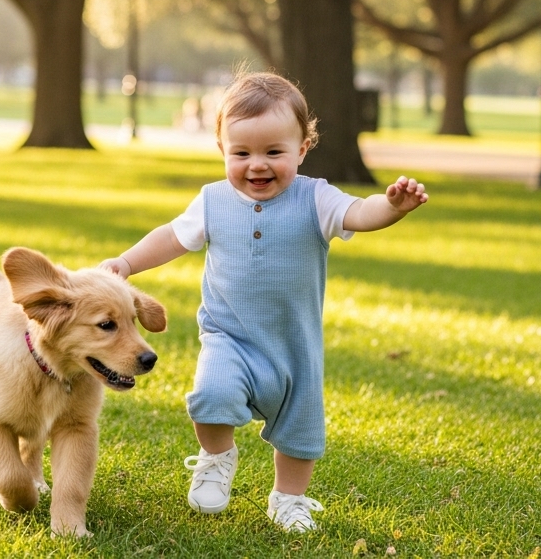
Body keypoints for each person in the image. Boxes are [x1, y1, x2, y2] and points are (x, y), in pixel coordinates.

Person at [98, 72, 429, 533]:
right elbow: (172, 237)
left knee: (300, 431)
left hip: (294, 346)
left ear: (302, 149)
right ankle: (216, 458)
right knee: (211, 395)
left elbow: (359, 212)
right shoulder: (213, 201)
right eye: (242, 153)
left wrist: (392, 207)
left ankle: (288, 499)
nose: (257, 164)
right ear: (222, 150)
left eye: (274, 152)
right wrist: (126, 264)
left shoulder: (316, 198)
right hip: (228, 337)